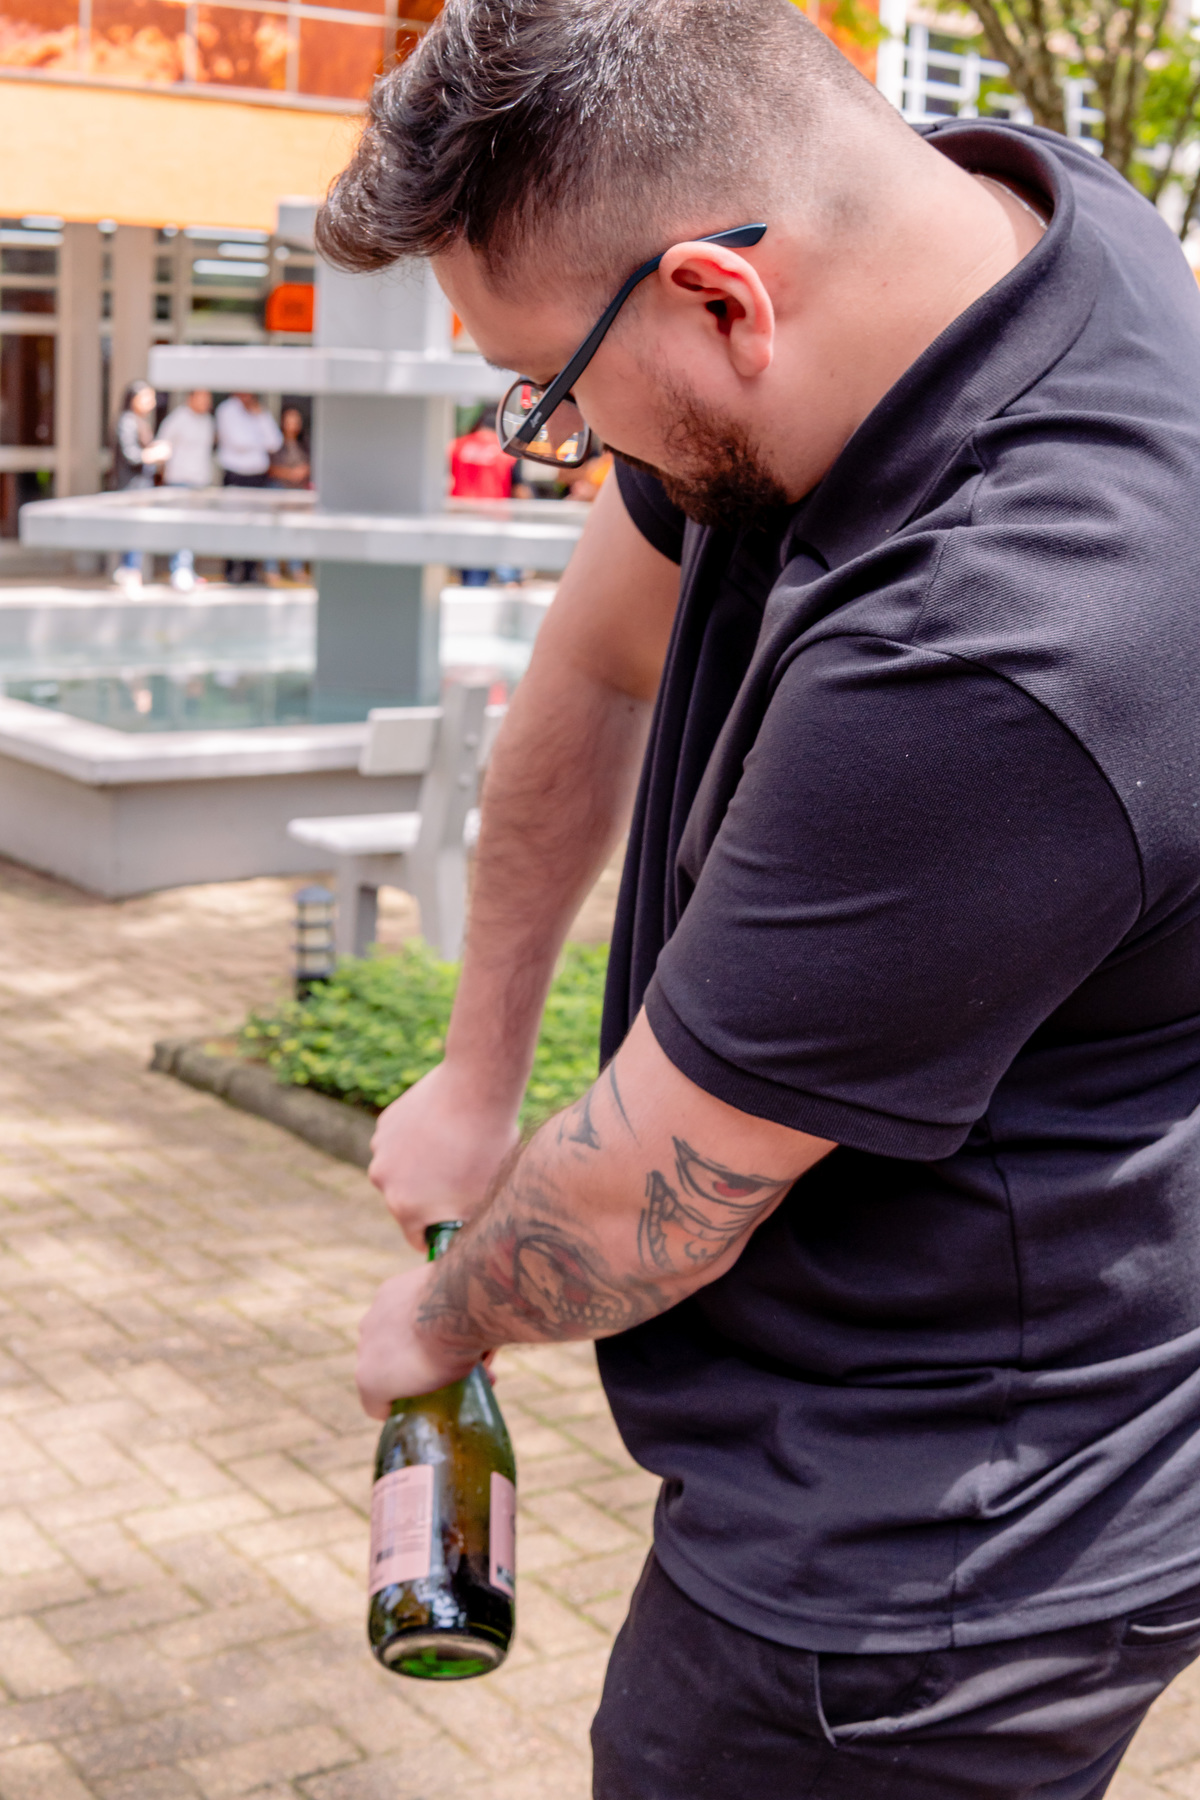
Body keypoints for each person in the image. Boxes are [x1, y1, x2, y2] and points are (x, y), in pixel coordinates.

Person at [317, 3, 1200, 1796]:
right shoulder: (998, 222)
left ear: (724, 301)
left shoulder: (994, 653)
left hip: (934, 1556)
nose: (558, 440)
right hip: (934, 1428)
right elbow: (595, 669)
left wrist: (441, 1323)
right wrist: (479, 1070)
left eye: (549, 396)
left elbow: (648, 1201)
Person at [214, 391, 282, 585]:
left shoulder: (260, 412)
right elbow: (238, 442)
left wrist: (259, 417)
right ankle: (231, 569)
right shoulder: (226, 410)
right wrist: (259, 441)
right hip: (235, 474)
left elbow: (274, 442)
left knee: (254, 523)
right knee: (232, 523)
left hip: (257, 476)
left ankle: (250, 569)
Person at [111, 379, 169, 592]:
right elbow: (132, 456)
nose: (151, 402)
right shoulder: (127, 421)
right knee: (133, 530)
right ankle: (129, 572)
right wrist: (153, 454)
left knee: (137, 530)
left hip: (141, 486)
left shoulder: (139, 421)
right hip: (132, 487)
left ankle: (131, 571)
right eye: (146, 397)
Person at [449, 409, 519, 584]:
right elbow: (519, 488)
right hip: (495, 518)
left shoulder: (458, 445)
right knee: (506, 576)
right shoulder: (507, 450)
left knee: (471, 574)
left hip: (462, 516)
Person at [158, 388, 215, 592]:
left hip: (200, 482)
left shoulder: (208, 421)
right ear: (191, 398)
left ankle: (188, 568)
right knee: (180, 526)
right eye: (202, 397)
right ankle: (179, 570)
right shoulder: (178, 418)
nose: (206, 402)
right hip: (179, 481)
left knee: (193, 528)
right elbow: (163, 447)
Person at [264, 404, 311, 585]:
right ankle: (271, 569)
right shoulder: (275, 442)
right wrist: (289, 473)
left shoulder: (304, 444)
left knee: (296, 531)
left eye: (296, 420)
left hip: (298, 492)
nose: (292, 424)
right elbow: (268, 467)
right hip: (279, 489)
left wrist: (303, 471)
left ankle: (296, 568)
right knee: (274, 530)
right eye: (289, 420)